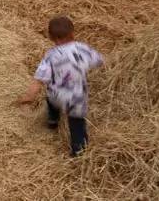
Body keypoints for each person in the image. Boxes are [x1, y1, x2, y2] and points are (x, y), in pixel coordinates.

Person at [18, 16, 104, 156]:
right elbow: (99, 60)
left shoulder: (50, 55)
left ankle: (52, 121)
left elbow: (39, 80)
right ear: (73, 33)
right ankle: (78, 151)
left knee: (51, 102)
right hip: (76, 97)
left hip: (56, 95)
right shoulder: (82, 49)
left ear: (50, 37)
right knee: (77, 124)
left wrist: (28, 98)